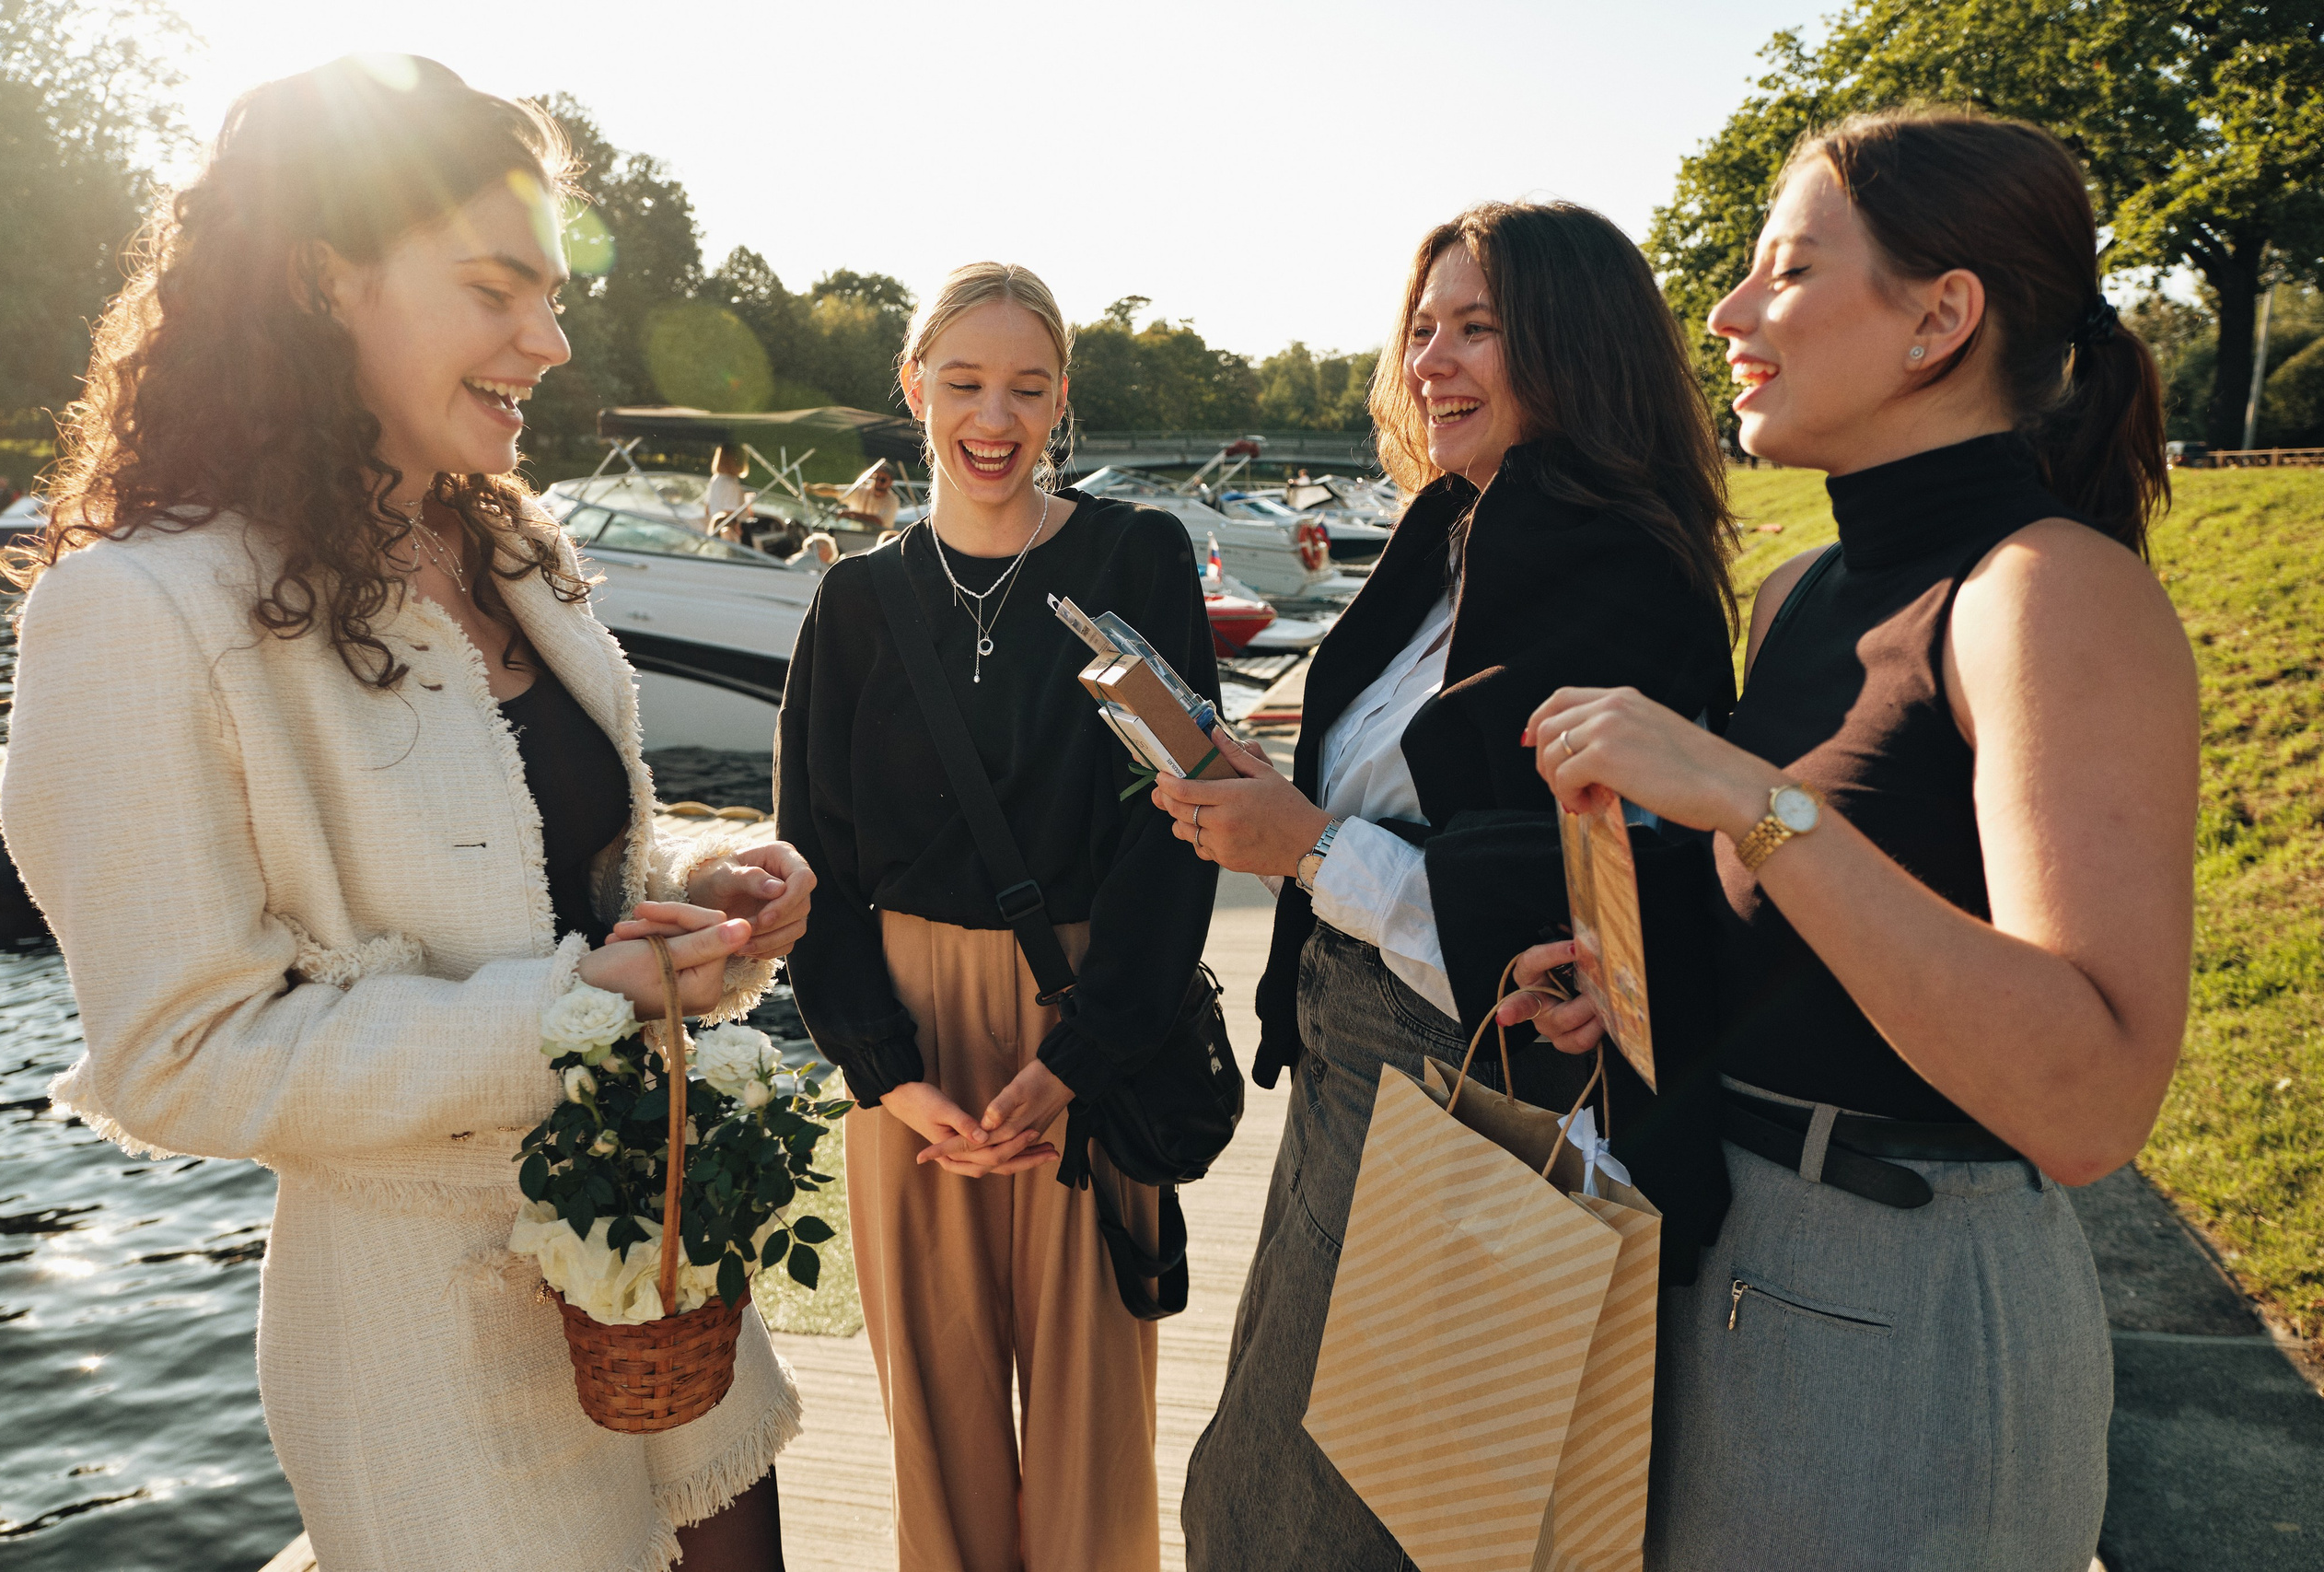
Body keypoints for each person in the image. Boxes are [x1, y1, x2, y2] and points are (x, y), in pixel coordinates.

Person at [0, 57, 816, 1572]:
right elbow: (178, 1056)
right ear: (326, 279)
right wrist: (578, 1006)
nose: (551, 337)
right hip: (436, 1370)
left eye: (554, 292)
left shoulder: (511, 538)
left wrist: (708, 887)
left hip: (669, 1280)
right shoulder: (135, 614)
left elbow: (577, 871)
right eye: (499, 285)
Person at [1514, 110, 2193, 1569]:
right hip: (1724, 1258)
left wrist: (1753, 802)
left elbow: (2090, 1099)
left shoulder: (2045, 596)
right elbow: (1831, 959)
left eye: (1788, 268)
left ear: (1941, 319)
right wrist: (1631, 981)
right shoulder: (1798, 591)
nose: (1728, 309)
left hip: (1911, 1303)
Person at [1164, 201, 1739, 1570]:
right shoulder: (1459, 532)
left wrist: (1304, 844)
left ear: (1575, 347)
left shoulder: (1618, 575)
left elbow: (1580, 920)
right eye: (1422, 326)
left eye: (1477, 327)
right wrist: (1279, 792)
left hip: (1469, 1097)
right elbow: (1402, 790)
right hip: (1353, 1075)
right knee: (1268, 1474)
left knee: (1327, 1517)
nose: (1431, 358)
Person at [775, 262, 1219, 1572]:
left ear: (1062, 399)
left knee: (1094, 1420)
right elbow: (816, 861)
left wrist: (1080, 1058)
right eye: (964, 381)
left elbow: (1179, 824)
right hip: (905, 1036)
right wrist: (889, 1076)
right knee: (939, 1421)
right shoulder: (856, 599)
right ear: (914, 389)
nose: (994, 414)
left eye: (1027, 386)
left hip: (1092, 1014)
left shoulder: (1135, 555)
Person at [704, 443, 749, 536]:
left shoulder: (716, 478)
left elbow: (707, 508)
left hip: (717, 529)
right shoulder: (731, 484)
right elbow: (730, 513)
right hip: (734, 531)